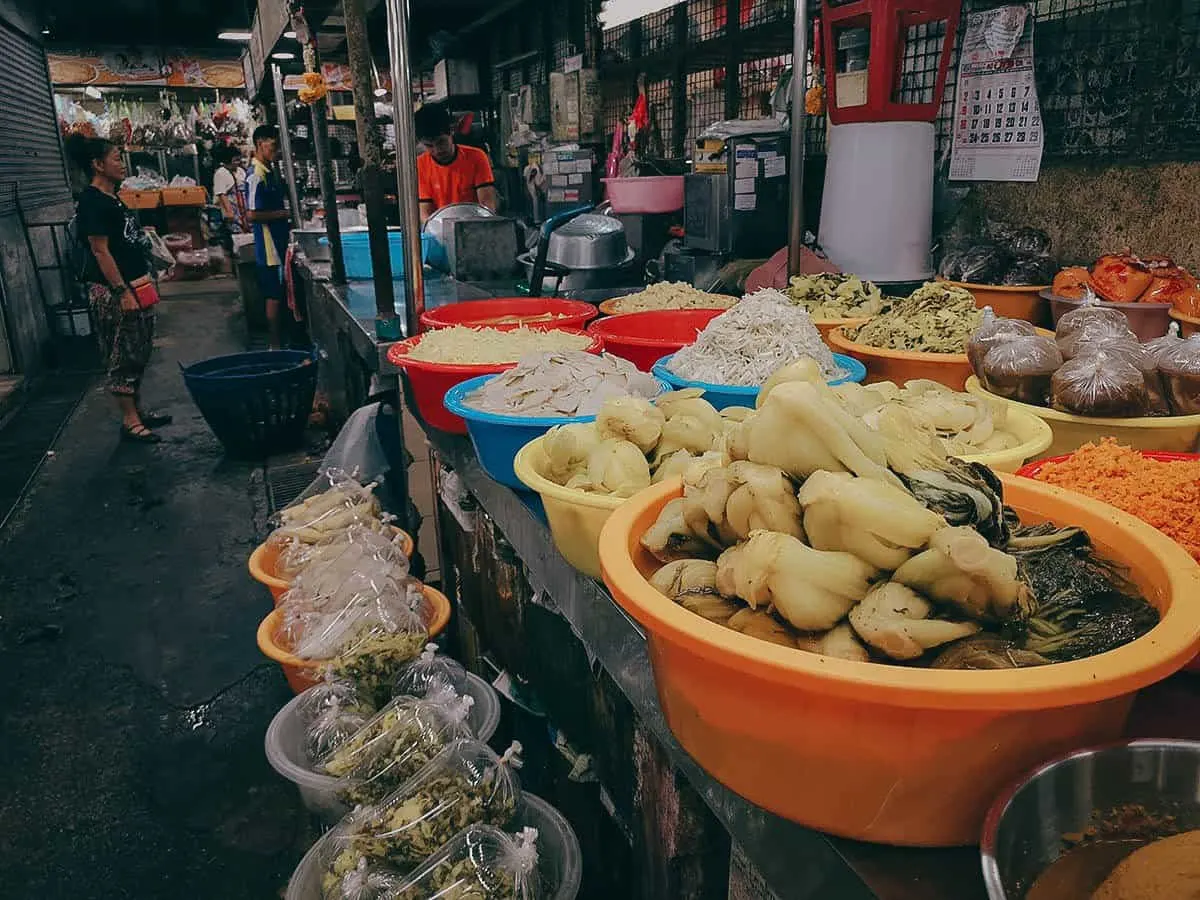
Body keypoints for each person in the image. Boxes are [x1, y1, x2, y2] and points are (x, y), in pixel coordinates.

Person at [67, 134, 168, 444]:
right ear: (98, 165)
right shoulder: (92, 202)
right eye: (115, 158)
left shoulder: (114, 197)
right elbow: (100, 251)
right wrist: (121, 292)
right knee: (122, 354)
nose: (121, 164)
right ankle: (129, 420)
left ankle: (138, 409)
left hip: (137, 284)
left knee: (138, 350)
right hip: (116, 291)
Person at [246, 124, 291, 349]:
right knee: (273, 295)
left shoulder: (268, 170)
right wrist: (283, 214)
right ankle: (274, 345)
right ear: (259, 144)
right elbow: (252, 214)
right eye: (272, 146)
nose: (276, 151)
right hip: (269, 247)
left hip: (278, 242)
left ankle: (281, 340)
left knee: (279, 294)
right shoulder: (256, 175)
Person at [414, 103, 497, 225]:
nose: (437, 150)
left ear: (452, 130)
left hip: (475, 229)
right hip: (438, 233)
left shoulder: (477, 157)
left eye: (441, 142)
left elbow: (487, 206)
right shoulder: (420, 165)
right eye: (429, 146)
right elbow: (425, 213)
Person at [212, 143, 247, 231]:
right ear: (228, 160)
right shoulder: (221, 173)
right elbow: (221, 194)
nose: (238, 162)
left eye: (239, 159)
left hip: (244, 210)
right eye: (235, 160)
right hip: (232, 213)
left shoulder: (241, 171)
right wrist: (229, 212)